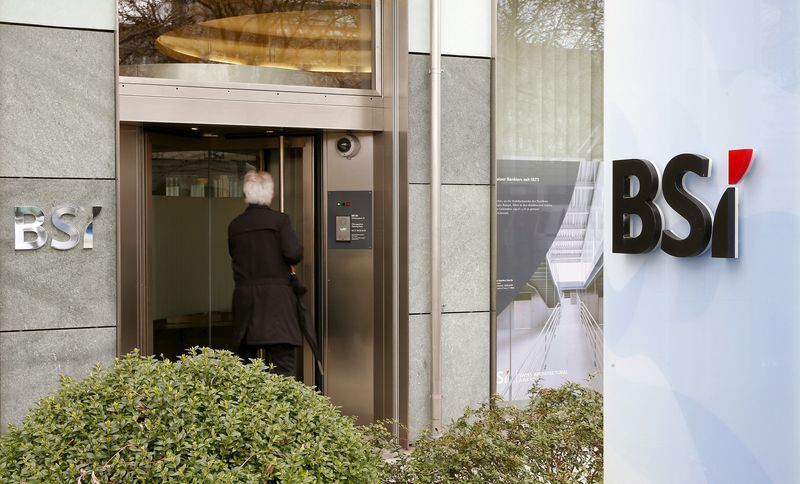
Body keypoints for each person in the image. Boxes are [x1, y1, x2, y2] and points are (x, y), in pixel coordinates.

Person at [228, 170, 303, 377]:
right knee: (283, 365)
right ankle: (283, 409)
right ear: (270, 194)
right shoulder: (280, 222)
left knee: (246, 369)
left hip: (245, 302)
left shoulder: (235, 225)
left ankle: (248, 409)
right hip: (276, 302)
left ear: (246, 193)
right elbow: (293, 254)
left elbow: (233, 255)